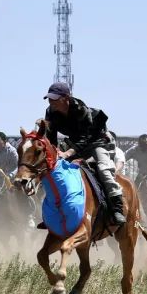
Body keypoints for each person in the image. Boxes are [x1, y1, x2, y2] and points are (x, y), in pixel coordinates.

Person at [43, 82, 127, 226]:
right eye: (50, 98)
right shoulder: (50, 111)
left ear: (66, 98)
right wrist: (55, 151)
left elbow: (86, 137)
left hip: (96, 141)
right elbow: (51, 137)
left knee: (104, 170)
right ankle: (55, 212)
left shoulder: (80, 109)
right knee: (54, 170)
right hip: (74, 142)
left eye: (54, 98)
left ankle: (117, 209)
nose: (51, 102)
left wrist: (68, 152)